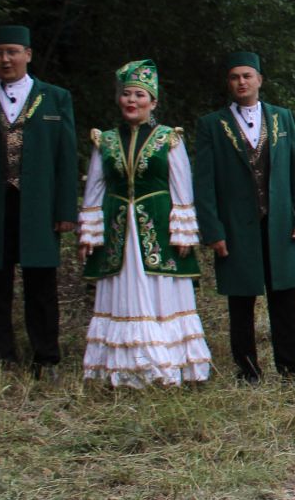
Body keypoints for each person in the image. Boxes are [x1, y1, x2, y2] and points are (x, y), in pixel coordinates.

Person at [0, 24, 79, 376]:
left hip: (38, 204)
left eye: (12, 52)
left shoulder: (55, 98)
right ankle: (1, 356)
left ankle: (46, 357)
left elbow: (65, 159)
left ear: (28, 54)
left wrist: (66, 209)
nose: (5, 59)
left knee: (41, 281)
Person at [77, 60, 211, 387]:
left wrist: (183, 232)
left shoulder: (168, 139)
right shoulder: (105, 141)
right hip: (118, 230)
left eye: (139, 95)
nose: (131, 101)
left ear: (153, 101)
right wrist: (89, 234)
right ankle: (122, 367)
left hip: (158, 229)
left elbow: (182, 189)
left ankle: (166, 363)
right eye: (126, 95)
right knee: (120, 291)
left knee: (161, 292)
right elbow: (94, 189)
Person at [192, 52, 295, 383]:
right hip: (235, 225)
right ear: (228, 83)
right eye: (234, 77)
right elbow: (203, 185)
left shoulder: (281, 118)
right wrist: (212, 230)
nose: (241, 82)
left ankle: (291, 367)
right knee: (241, 300)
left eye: (247, 76)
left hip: (278, 223)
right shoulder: (211, 126)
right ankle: (247, 369)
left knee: (284, 297)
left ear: (260, 79)